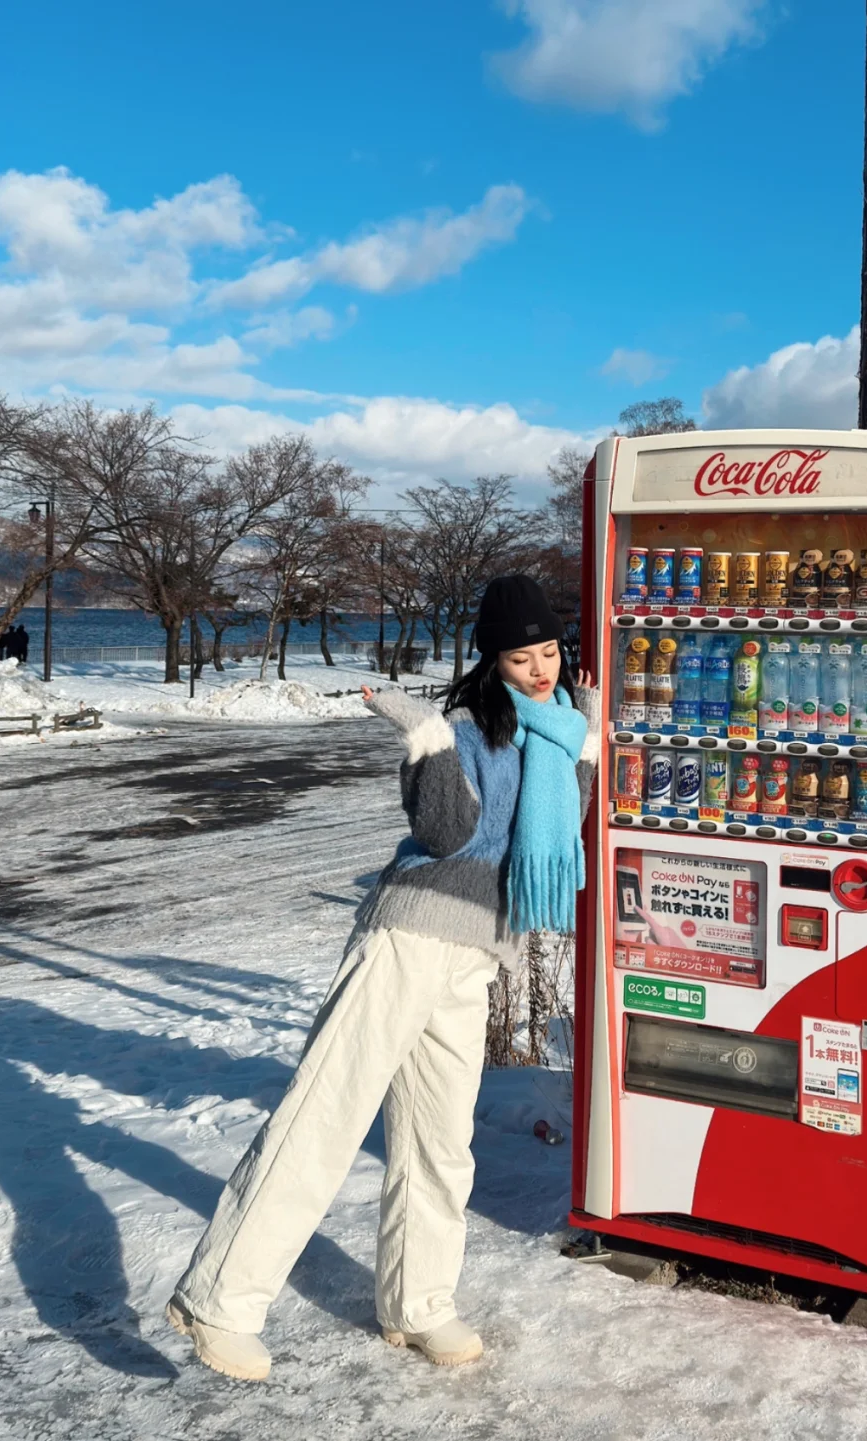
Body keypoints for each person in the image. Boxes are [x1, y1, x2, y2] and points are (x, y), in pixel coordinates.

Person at [166, 574, 601, 1381]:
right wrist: (428, 742)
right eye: (521, 656)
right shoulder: (470, 728)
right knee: (324, 1114)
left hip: (478, 953)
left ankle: (419, 1302)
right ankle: (219, 1299)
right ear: (492, 661)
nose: (541, 668)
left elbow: (555, 841)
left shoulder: (562, 731)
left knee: (442, 1143)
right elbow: (447, 835)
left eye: (549, 651)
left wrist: (585, 746)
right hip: (406, 936)